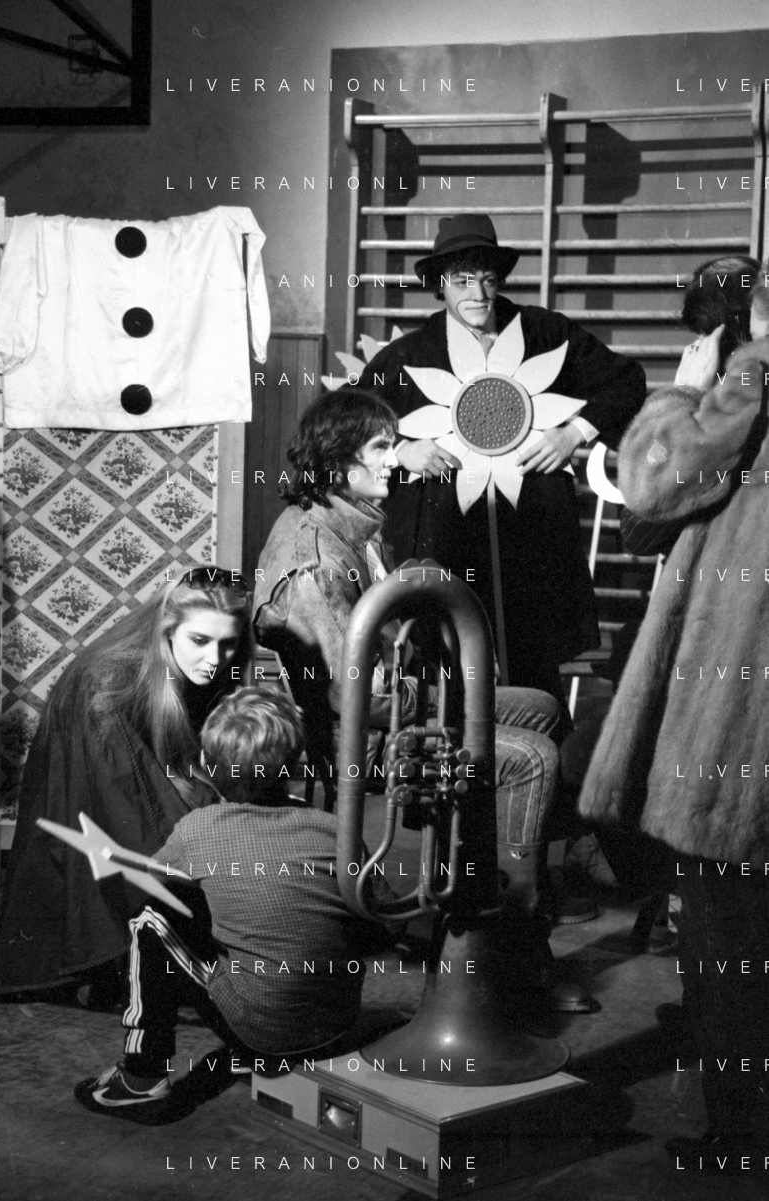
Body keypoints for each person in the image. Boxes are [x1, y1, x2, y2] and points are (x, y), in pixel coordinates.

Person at [253, 388, 594, 1012]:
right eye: (380, 447)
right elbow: (357, 697)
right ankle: (513, 942)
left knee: (541, 707)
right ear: (339, 461)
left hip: (390, 710)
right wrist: (446, 690)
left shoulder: (348, 523)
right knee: (531, 757)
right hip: (362, 741)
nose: (395, 459)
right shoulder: (316, 560)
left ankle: (498, 906)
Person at [578, 293, 769, 1171]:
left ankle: (740, 1132)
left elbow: (651, 486)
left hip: (733, 709)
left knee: (725, 914)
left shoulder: (749, 382)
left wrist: (683, 390)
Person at [358, 214, 647, 732]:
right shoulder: (407, 356)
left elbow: (625, 381)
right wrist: (400, 451)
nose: (478, 294)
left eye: (488, 279)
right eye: (463, 280)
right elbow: (344, 424)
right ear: (439, 283)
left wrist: (575, 432)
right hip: (445, 538)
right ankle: (458, 777)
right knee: (445, 674)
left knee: (536, 676)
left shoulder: (546, 334)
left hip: (532, 538)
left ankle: (541, 776)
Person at [74, 685, 399, 1124]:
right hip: (336, 1026)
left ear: (210, 768)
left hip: (262, 1034)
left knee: (152, 918)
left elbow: (151, 883)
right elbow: (385, 923)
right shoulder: (335, 830)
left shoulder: (199, 828)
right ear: (295, 762)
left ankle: (140, 1079)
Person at [0, 566, 253, 1005]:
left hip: (128, 768)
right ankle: (120, 971)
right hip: (95, 758)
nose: (214, 658)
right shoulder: (107, 682)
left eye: (227, 644)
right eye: (200, 640)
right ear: (167, 630)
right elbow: (131, 805)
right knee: (158, 857)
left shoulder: (203, 668)